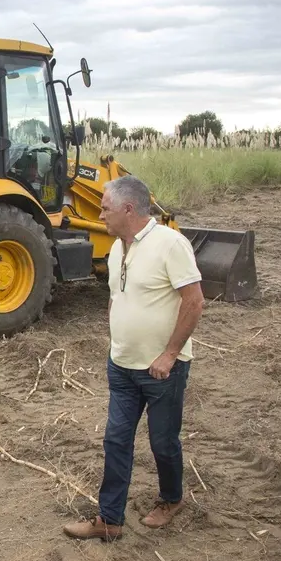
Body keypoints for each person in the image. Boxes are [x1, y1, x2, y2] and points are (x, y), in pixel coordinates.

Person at [63, 175, 204, 542]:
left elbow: (194, 301)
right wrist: (117, 342)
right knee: (116, 440)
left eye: (105, 209)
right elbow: (117, 297)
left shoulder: (171, 244)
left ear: (128, 209)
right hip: (122, 366)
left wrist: (170, 354)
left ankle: (171, 499)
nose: (100, 215)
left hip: (162, 370)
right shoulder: (116, 248)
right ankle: (109, 519)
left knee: (163, 442)